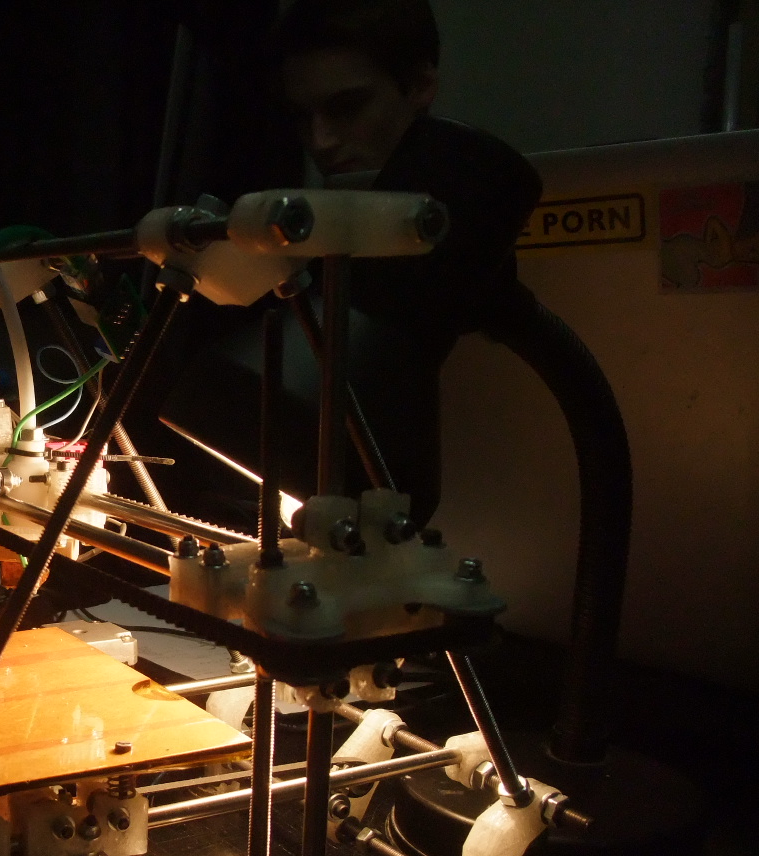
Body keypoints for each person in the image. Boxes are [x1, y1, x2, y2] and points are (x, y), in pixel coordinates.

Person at [160, 0, 541, 528]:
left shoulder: (467, 212)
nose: (321, 142)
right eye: (304, 117)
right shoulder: (319, 238)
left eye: (347, 108)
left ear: (420, 85)